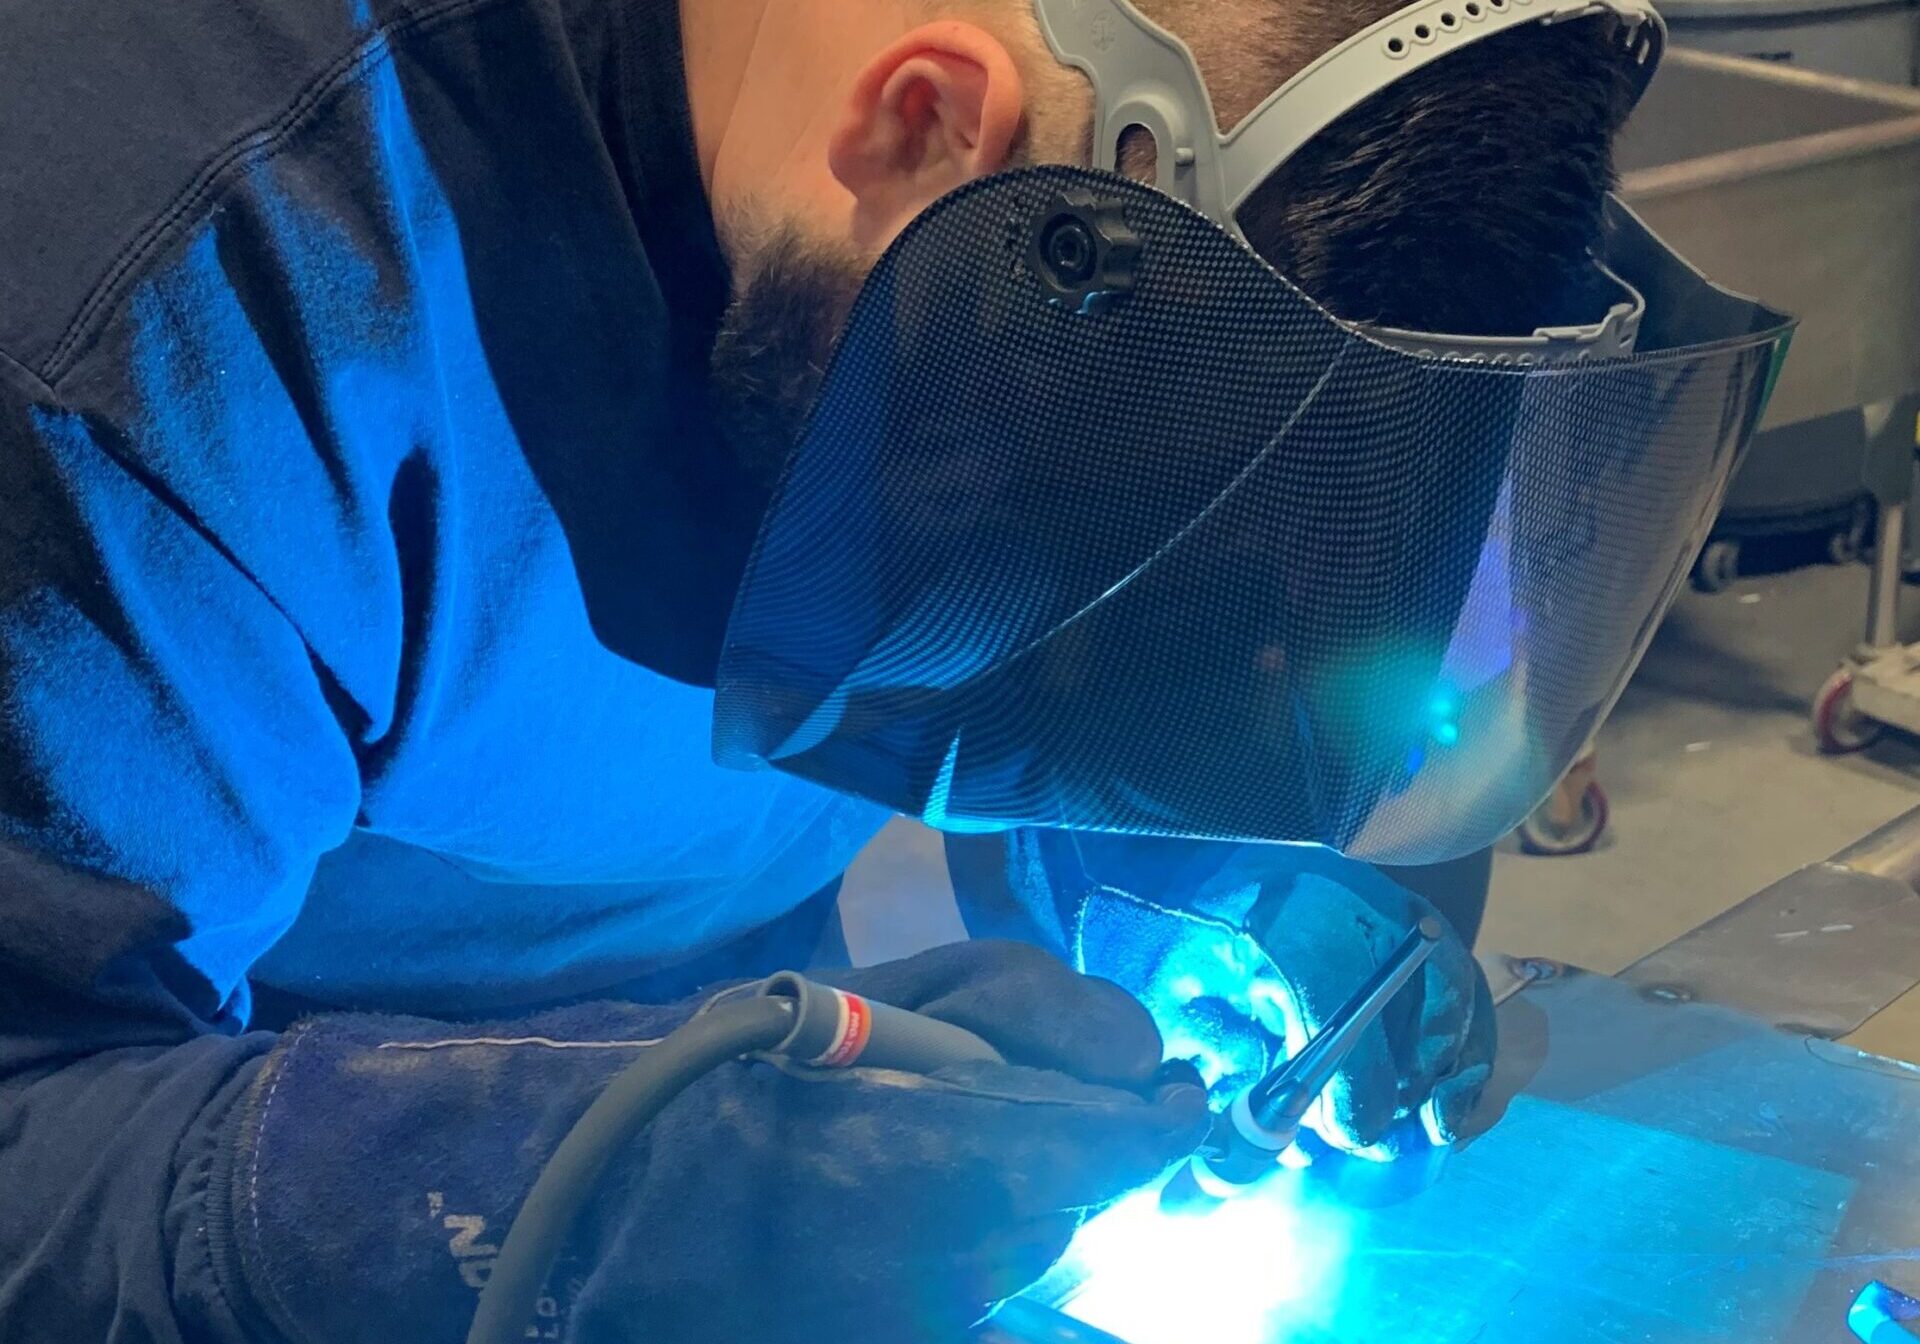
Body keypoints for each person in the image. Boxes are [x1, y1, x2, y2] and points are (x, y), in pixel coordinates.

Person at [0, 0, 1710, 1339]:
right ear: (928, 135)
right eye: (1088, 512)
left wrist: (1211, 875)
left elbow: (1071, 559)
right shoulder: (172, 303)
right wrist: (502, 1191)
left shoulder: (933, 301)